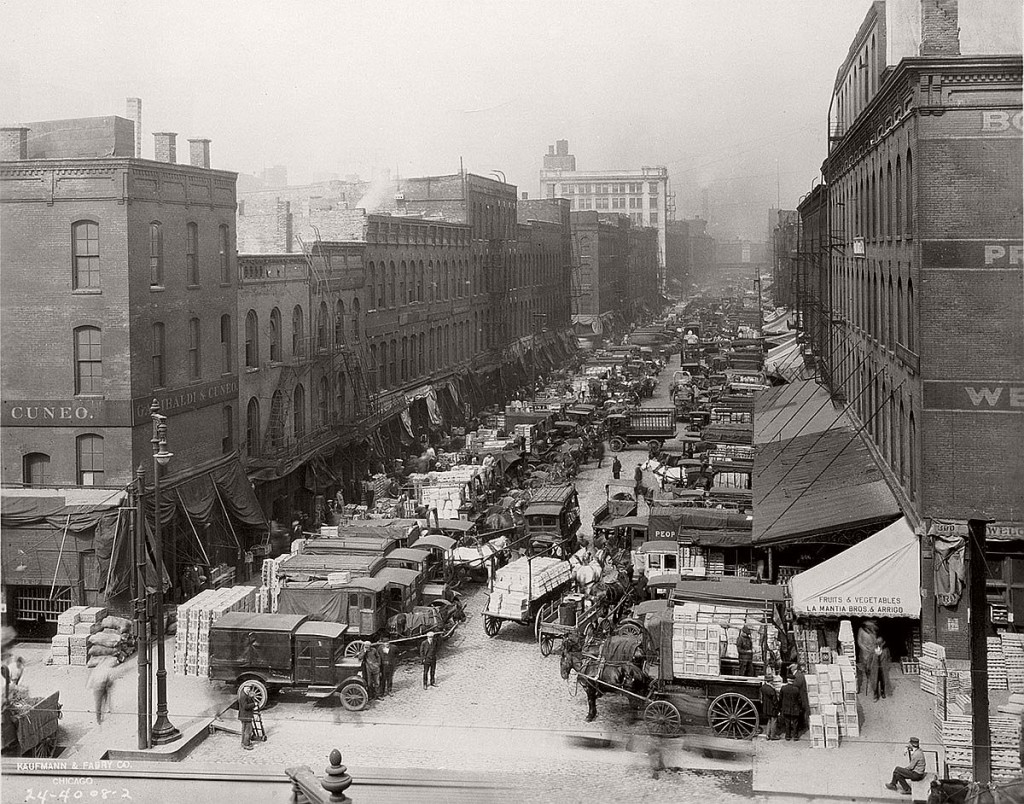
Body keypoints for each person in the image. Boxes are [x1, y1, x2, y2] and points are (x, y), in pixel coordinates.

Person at [89, 657, 118, 725]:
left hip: (99, 686)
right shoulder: (107, 669)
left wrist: (90, 686)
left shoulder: (97, 669)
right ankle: (99, 718)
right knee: (101, 702)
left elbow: (91, 678)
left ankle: (101, 715)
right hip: (100, 686)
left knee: (101, 701)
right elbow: (110, 679)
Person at [779, 676, 804, 740]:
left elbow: (780, 698)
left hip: (786, 708)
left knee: (787, 723)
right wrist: (800, 707)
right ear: (793, 681)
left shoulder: (783, 688)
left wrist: (781, 707)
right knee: (795, 723)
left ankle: (788, 736)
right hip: (795, 708)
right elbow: (799, 700)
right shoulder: (796, 689)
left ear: (787, 680)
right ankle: (795, 736)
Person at [868, 636, 892, 701]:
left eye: (880, 643)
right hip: (875, 668)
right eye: (877, 643)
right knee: (875, 682)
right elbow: (869, 659)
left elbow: (889, 658)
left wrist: (888, 666)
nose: (879, 645)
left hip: (883, 668)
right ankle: (875, 695)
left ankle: (882, 692)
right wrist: (868, 667)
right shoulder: (873, 650)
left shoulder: (886, 650)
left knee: (883, 681)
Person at [760, 672, 780, 740]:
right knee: (774, 721)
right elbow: (775, 701)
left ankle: (767, 735)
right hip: (772, 708)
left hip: (766, 707)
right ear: (771, 681)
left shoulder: (763, 687)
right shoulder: (772, 690)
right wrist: (778, 709)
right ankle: (773, 735)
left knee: (769, 721)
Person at [237, 684, 256, 750]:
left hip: (244, 716)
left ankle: (243, 742)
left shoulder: (244, 694)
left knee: (244, 729)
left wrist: (251, 697)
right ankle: (246, 744)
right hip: (246, 716)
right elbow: (245, 706)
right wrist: (254, 704)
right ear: (244, 688)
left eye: (249, 688)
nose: (248, 690)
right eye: (247, 688)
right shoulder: (243, 696)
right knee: (248, 730)